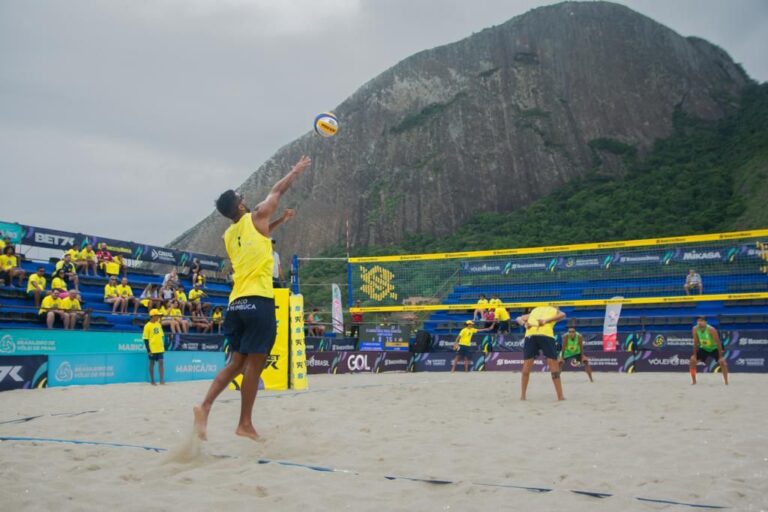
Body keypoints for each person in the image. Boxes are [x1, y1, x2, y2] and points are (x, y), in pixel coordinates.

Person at [193, 154, 311, 442]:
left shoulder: (230, 235)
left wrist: (281, 220)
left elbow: (259, 236)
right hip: (258, 301)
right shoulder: (256, 214)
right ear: (241, 204)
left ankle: (205, 405)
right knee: (254, 366)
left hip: (236, 305)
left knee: (235, 363)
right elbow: (277, 191)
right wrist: (294, 171)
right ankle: (244, 423)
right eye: (241, 196)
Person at [516, 305, 567, 401]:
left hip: (530, 335)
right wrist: (546, 321)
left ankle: (523, 396)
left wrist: (524, 324)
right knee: (554, 368)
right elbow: (563, 314)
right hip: (546, 335)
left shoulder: (535, 310)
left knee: (526, 367)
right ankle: (560, 396)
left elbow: (518, 318)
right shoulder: (554, 310)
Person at [690, 316, 728, 385]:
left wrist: (720, 357)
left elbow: (718, 343)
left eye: (701, 321)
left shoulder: (711, 329)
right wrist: (695, 356)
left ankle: (726, 381)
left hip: (715, 348)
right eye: (698, 321)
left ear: (705, 322)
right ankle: (694, 381)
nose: (699, 322)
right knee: (692, 360)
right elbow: (695, 342)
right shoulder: (695, 329)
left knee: (723, 363)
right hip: (704, 348)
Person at [143, 310, 165, 385]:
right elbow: (145, 339)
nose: (158, 317)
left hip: (160, 348)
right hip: (152, 348)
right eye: (157, 315)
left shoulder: (158, 324)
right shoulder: (147, 326)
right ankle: (152, 381)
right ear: (153, 316)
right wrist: (148, 350)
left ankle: (162, 380)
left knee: (161, 363)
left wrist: (161, 317)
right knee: (152, 364)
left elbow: (160, 336)